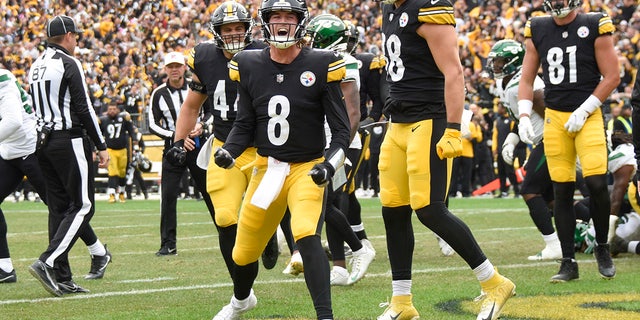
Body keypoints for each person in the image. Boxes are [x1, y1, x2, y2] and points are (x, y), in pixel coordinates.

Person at [210, 0, 351, 318]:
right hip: (267, 167)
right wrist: (229, 151)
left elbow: (342, 132)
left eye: (290, 16)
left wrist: (328, 166)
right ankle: (241, 301)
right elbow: (244, 123)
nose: (283, 23)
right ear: (266, 23)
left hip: (306, 168)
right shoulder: (247, 64)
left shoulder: (322, 63)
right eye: (277, 17)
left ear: (300, 23)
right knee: (243, 252)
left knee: (306, 233)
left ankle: (325, 316)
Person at [376, 1, 515, 319]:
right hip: (398, 123)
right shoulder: (391, 9)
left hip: (429, 119)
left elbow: (454, 70)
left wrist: (453, 128)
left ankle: (494, 282)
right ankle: (402, 302)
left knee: (429, 210)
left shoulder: (427, 7)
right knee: (393, 211)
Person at [171, 0, 279, 278]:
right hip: (224, 145)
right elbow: (192, 105)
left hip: (262, 147)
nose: (232, 33)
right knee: (225, 217)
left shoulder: (265, 54)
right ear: (216, 31)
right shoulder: (205, 57)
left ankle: (268, 236)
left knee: (262, 212)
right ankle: (242, 285)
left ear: (248, 29)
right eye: (226, 28)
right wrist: (177, 140)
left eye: (237, 28)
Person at [517, 0, 618, 282]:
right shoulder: (537, 27)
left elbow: (612, 76)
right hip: (555, 117)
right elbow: (526, 79)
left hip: (588, 114)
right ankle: (568, 262)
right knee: (561, 190)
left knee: (597, 182)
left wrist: (585, 109)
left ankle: (601, 246)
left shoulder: (594, 23)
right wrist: (524, 115)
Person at [1, 66, 112, 285]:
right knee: (61, 207)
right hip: (8, 151)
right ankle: (4, 266)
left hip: (30, 148)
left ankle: (98, 252)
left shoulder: (2, 79)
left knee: (60, 207)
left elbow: (13, 120)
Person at [27, 15, 110, 296]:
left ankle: (62, 276)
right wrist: (101, 145)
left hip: (44, 142)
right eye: (77, 35)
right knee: (84, 205)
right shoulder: (68, 62)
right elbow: (84, 107)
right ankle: (48, 261)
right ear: (69, 36)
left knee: (59, 208)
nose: (78, 40)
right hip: (68, 139)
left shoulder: (36, 65)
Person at [306, 13, 376, 286]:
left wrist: (340, 147)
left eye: (313, 37)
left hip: (341, 142)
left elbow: (353, 111)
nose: (307, 41)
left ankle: (357, 251)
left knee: (329, 201)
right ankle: (340, 265)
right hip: (320, 141)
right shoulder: (315, 62)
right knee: (328, 202)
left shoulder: (344, 62)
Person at [487, 39, 562, 261]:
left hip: (551, 138)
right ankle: (598, 227)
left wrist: (557, 142)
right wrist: (511, 139)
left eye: (500, 62)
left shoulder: (525, 83)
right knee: (551, 198)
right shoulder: (507, 84)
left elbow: (549, 112)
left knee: (530, 189)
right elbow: (521, 118)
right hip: (543, 141)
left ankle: (553, 244)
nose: (496, 66)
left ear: (514, 62)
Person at [148, 51, 215, 256]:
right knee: (167, 196)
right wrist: (176, 136)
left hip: (197, 145)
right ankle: (168, 244)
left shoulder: (197, 86)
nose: (174, 69)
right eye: (170, 66)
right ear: (165, 70)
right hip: (172, 150)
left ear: (185, 67)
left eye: (178, 65)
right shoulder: (158, 93)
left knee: (211, 193)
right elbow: (152, 124)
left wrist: (202, 126)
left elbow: (211, 112)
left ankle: (227, 233)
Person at [99, 101, 137, 203]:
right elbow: (98, 134)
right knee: (113, 172)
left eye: (114, 109)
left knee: (122, 173)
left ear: (118, 110)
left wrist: (136, 144)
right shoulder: (103, 120)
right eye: (110, 109)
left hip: (123, 150)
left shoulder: (124, 119)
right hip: (110, 150)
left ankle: (121, 193)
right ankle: (111, 194)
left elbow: (131, 132)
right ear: (107, 110)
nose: (112, 111)